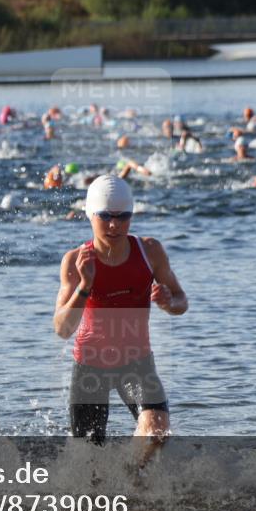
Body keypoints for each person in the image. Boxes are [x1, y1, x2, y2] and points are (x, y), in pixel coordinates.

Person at [54, 175, 188, 446]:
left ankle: (131, 480)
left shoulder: (150, 251)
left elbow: (181, 300)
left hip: (136, 364)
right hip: (90, 366)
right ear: (90, 215)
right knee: (87, 460)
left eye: (123, 216)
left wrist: (167, 303)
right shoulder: (75, 261)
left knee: (156, 431)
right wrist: (85, 285)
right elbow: (62, 328)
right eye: (105, 216)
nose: (114, 225)